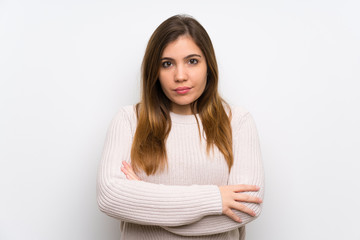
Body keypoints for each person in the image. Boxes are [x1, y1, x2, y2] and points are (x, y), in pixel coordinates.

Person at [97, 14, 264, 240]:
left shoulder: (237, 122)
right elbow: (110, 197)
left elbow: (245, 209)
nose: (180, 76)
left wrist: (145, 201)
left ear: (208, 65)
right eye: (167, 64)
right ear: (154, 71)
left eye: (192, 61)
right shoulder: (129, 120)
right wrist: (215, 199)